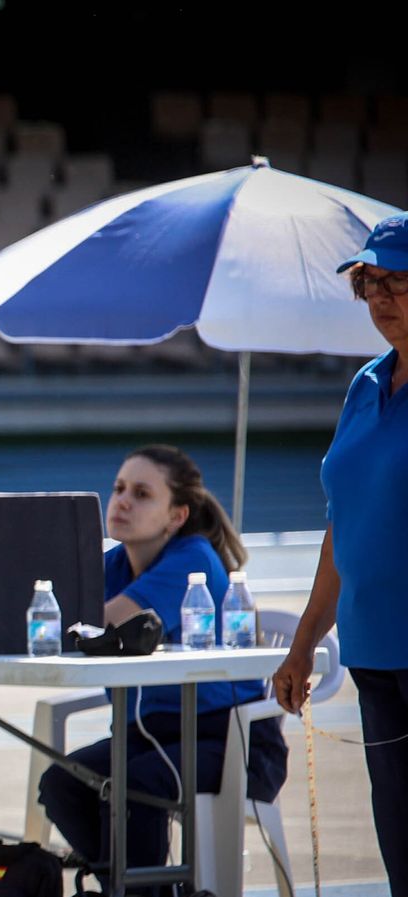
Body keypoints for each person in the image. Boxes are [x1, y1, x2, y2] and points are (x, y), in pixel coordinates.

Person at [38, 445, 287, 890]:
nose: (122, 501)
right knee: (63, 782)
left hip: (232, 740)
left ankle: (141, 888)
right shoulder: (113, 563)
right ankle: (135, 886)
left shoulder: (191, 559)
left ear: (176, 516)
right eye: (118, 489)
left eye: (142, 493)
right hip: (149, 734)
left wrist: (56, 613)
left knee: (136, 785)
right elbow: (53, 619)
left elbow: (95, 623)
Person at [273, 212, 408, 895]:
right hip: (375, 656)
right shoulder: (365, 386)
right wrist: (302, 646)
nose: (381, 297)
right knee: (403, 848)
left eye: (399, 281)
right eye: (369, 282)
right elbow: (342, 526)